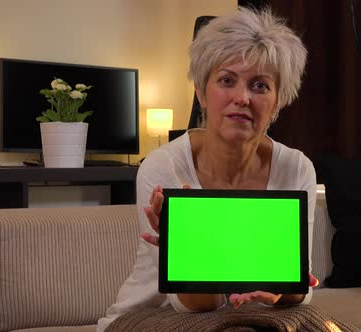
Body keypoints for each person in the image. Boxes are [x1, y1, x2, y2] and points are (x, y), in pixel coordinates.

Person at [97, 6, 317, 331]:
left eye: (259, 86)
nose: (242, 97)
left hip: (251, 320)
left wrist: (283, 292)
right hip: (154, 316)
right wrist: (182, 246)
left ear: (278, 103)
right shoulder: (165, 165)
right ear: (201, 92)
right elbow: (194, 307)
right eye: (227, 80)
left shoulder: (296, 168)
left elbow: (297, 284)